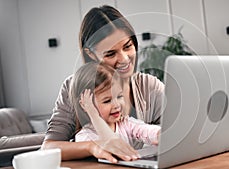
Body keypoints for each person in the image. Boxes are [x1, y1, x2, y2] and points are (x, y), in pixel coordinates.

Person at [41, 5, 164, 163]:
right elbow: (48, 148)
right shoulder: (74, 87)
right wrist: (93, 146)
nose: (125, 59)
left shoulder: (148, 85)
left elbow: (173, 130)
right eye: (111, 53)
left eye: (128, 46)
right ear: (90, 54)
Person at [71, 62, 160, 146]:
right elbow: (113, 146)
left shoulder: (125, 123)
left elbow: (145, 130)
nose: (117, 105)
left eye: (119, 96)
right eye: (107, 101)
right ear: (85, 106)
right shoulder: (85, 136)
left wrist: (159, 134)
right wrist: (94, 116)